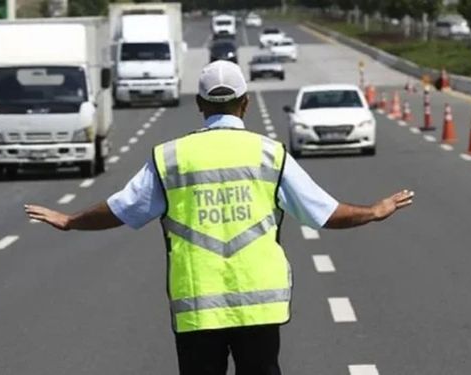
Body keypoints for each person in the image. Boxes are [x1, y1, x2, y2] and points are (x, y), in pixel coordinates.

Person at [25, 60, 414, 375]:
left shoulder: (171, 158)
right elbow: (324, 213)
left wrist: (71, 219)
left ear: (199, 104)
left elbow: (122, 209)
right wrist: (374, 211)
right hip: (259, 306)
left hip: (197, 307)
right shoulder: (269, 154)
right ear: (244, 104)